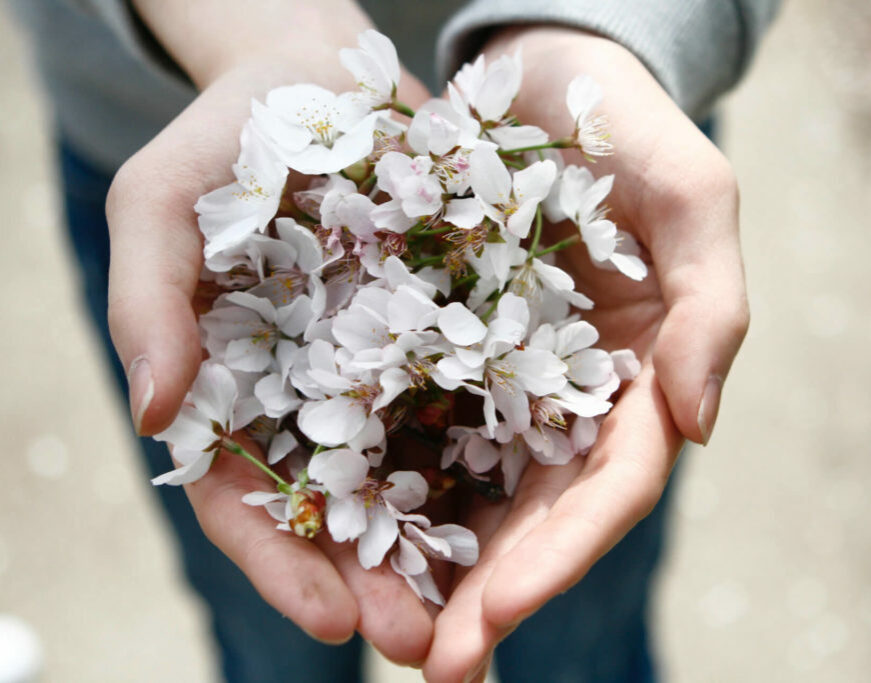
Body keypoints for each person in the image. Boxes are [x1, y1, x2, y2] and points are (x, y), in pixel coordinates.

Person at [10, 1, 778, 681]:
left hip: (597, 79)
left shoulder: (538, 203)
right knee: (274, 643)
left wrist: (614, 30)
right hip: (157, 129)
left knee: (581, 643)